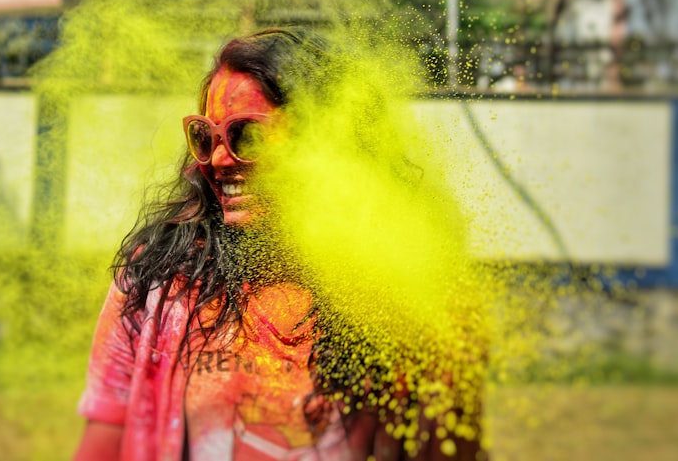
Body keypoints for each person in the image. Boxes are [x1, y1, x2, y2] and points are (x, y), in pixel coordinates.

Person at [73, 28, 484, 461]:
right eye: (205, 137)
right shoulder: (160, 277)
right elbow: (105, 439)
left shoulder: (403, 294)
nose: (217, 160)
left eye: (246, 136)